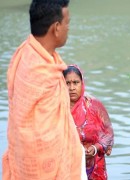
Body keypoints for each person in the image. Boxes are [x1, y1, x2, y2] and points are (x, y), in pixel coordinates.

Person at [2, 0, 87, 179]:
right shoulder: (38, 72)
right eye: (67, 23)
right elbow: (40, 140)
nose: (68, 28)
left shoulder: (26, 54)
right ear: (56, 28)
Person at [63, 65, 114, 180]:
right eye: (67, 83)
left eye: (75, 82)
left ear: (82, 83)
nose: (71, 88)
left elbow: (108, 133)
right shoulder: (56, 108)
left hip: (94, 167)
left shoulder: (93, 106)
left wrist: (96, 148)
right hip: (66, 167)